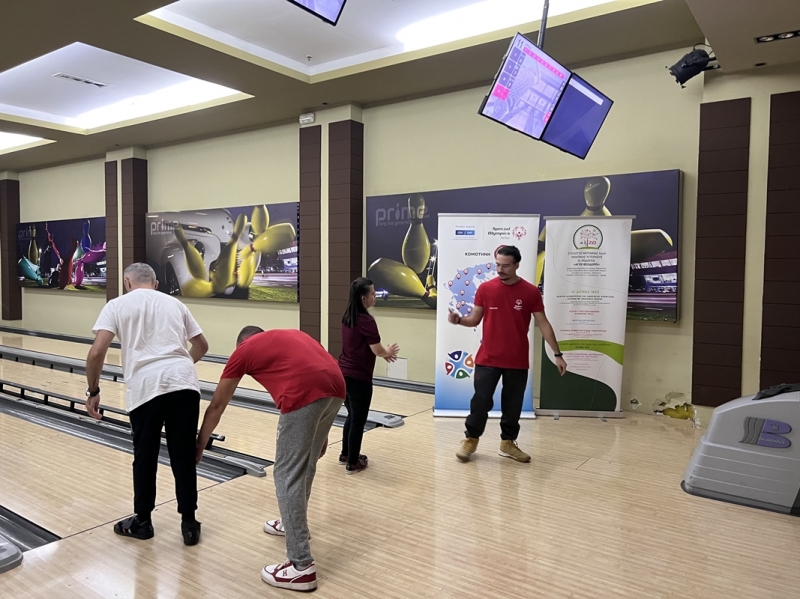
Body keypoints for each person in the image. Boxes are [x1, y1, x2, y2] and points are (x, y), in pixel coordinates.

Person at [196, 327, 346, 593]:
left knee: (286, 474)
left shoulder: (243, 350)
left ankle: (301, 566)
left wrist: (199, 446)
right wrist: (320, 433)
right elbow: (322, 368)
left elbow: (217, 405)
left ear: (241, 343)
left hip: (304, 391)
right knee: (306, 465)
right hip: (337, 387)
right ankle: (291, 524)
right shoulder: (288, 336)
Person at [85, 262, 208, 545]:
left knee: (145, 455)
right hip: (184, 383)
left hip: (145, 387)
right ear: (155, 284)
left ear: (127, 282)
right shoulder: (175, 304)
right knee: (183, 455)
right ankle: (189, 524)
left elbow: (96, 353)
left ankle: (143, 522)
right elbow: (202, 346)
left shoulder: (117, 305)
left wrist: (93, 390)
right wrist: (178, 367)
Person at [448, 245, 567, 463]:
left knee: (513, 405)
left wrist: (557, 354)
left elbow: (543, 323)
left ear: (517, 265)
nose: (500, 270)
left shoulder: (530, 292)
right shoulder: (485, 289)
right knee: (480, 402)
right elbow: (474, 320)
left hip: (517, 360)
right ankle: (471, 439)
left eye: (505, 266)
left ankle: (508, 443)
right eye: (497, 265)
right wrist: (459, 321)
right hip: (488, 359)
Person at [338, 277, 399, 474]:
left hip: (343, 374)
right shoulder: (367, 321)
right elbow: (377, 350)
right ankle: (353, 463)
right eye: (372, 293)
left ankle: (346, 454)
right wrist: (387, 352)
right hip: (358, 378)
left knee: (352, 415)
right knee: (358, 420)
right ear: (363, 298)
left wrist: (383, 353)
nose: (375, 296)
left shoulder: (348, 316)